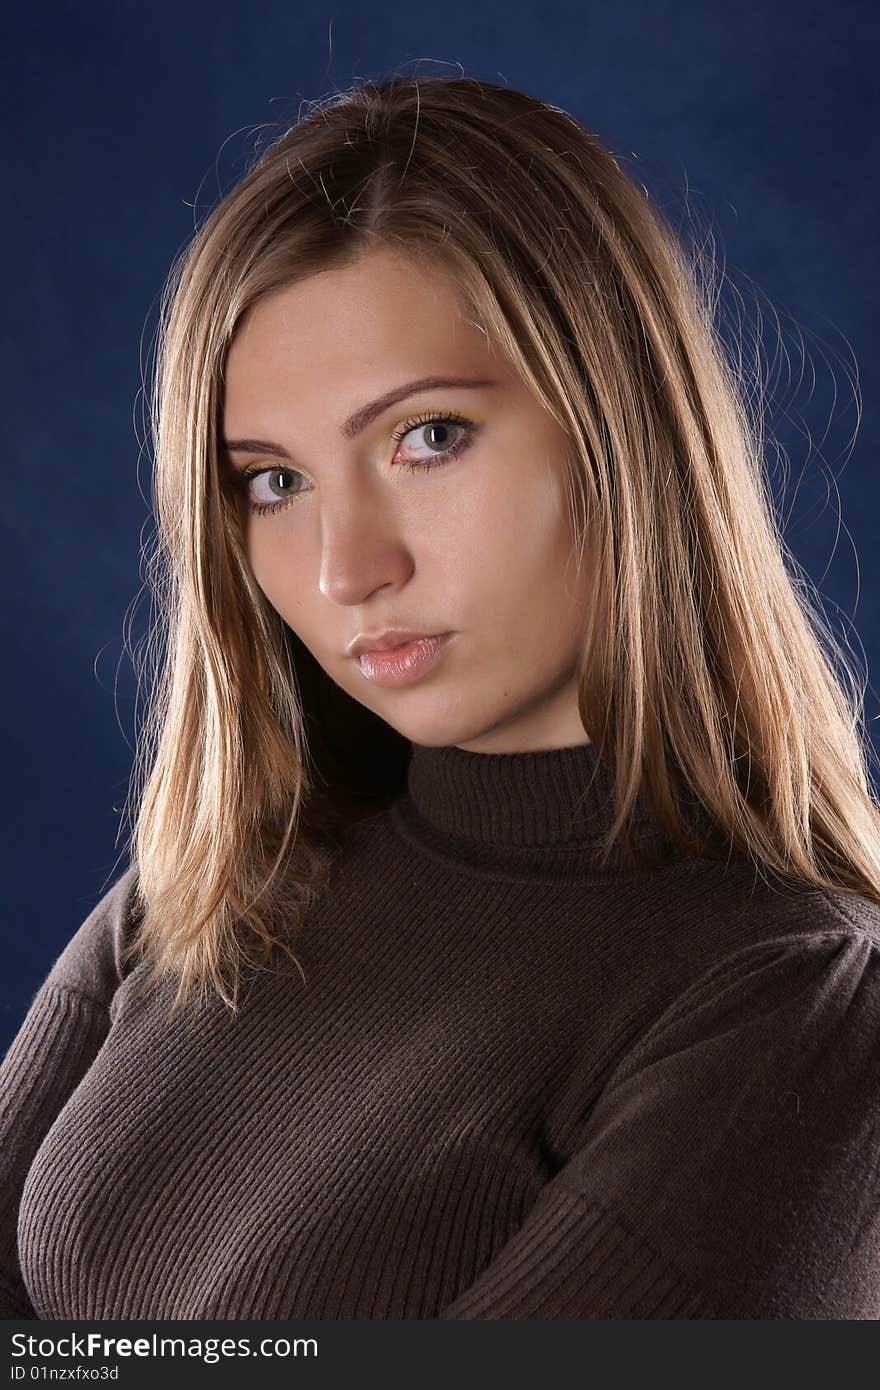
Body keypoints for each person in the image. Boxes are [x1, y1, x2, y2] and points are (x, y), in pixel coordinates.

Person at [2, 73, 880, 1323]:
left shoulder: (795, 1005)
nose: (344, 568)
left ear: (616, 429)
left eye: (426, 439)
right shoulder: (219, 881)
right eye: (271, 481)